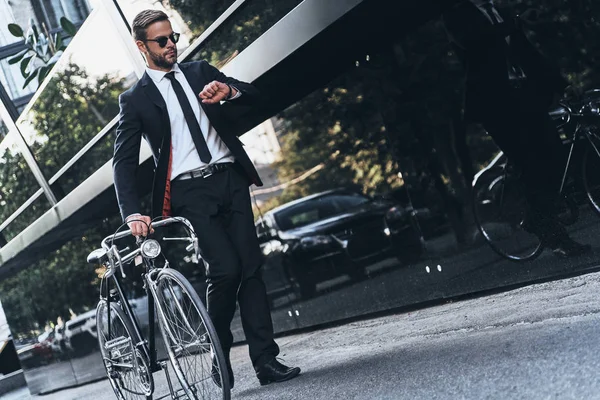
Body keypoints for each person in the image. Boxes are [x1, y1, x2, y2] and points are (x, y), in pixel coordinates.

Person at [112, 9, 301, 388]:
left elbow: (255, 97)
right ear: (141, 46)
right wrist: (132, 212)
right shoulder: (135, 100)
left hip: (229, 176)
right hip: (188, 191)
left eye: (173, 38)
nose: (171, 46)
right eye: (161, 41)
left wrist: (229, 91)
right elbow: (123, 162)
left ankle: (266, 361)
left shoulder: (200, 72)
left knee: (250, 268)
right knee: (226, 270)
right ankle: (218, 352)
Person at [442, 0, 591, 257]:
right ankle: (555, 235)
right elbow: (474, 42)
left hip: (525, 97)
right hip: (495, 106)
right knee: (530, 163)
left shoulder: (501, 13)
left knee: (555, 154)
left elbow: (529, 54)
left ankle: (537, 216)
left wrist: (561, 84)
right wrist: (512, 24)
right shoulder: (457, 14)